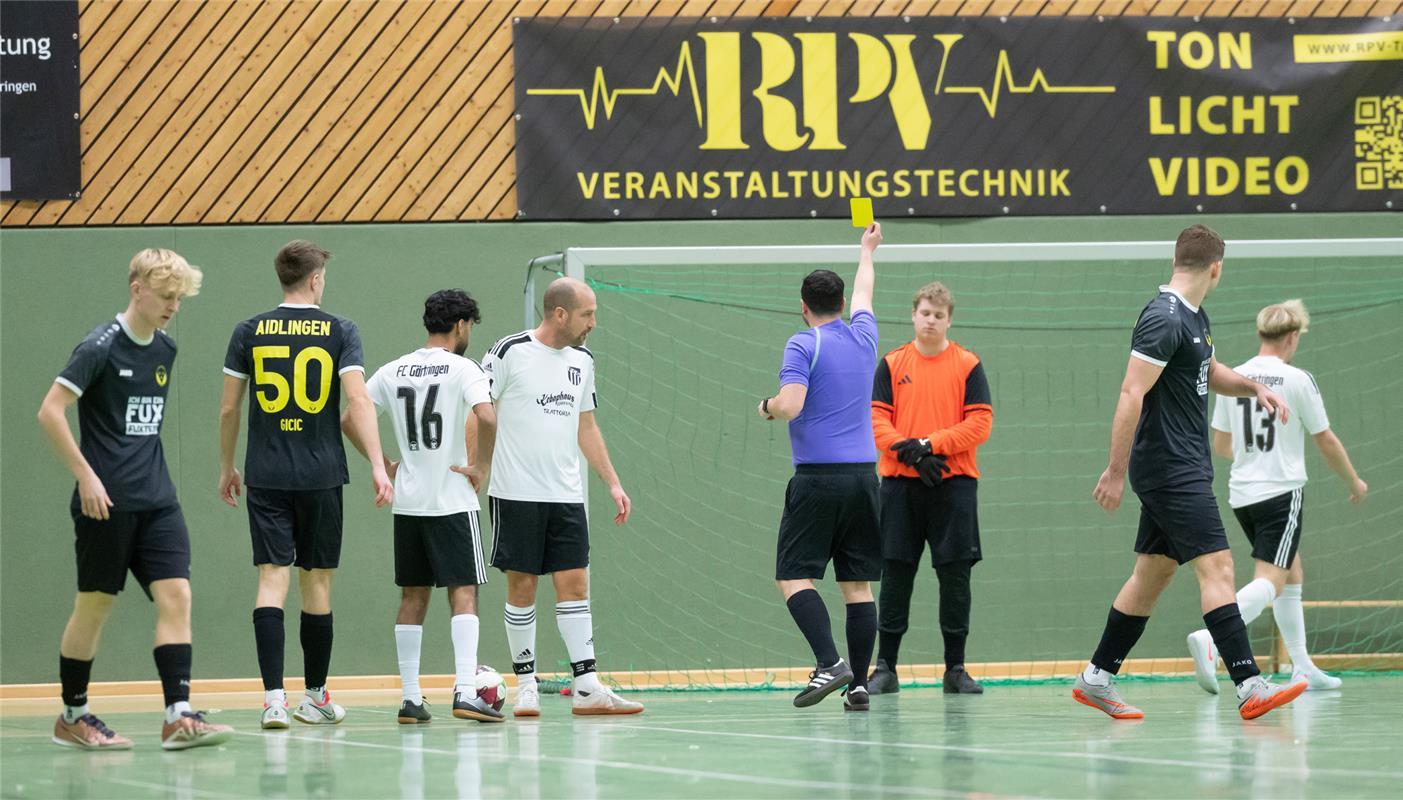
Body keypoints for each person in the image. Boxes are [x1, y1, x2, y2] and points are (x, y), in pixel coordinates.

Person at [1079, 224, 1305, 721]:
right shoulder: (1163, 318)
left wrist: (1254, 388)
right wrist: (1115, 472)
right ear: (1216, 268)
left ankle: (1097, 677)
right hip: (1169, 467)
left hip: (1184, 465)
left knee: (1152, 573)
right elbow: (1130, 393)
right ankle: (1249, 684)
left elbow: (1210, 369)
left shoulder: (1195, 318)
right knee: (1219, 567)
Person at [39, 248, 233, 750]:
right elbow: (50, 412)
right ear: (137, 289)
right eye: (167, 296)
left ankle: (178, 715)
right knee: (95, 605)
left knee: (177, 595)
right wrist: (86, 476)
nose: (173, 306)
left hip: (157, 500)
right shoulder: (99, 346)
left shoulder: (165, 348)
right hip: (105, 502)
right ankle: (73, 715)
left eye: (179, 298)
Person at [218, 240, 393, 729]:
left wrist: (227, 465)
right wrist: (378, 465)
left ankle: (273, 699)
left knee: (271, 579)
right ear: (316, 279)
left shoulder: (248, 330)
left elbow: (230, 408)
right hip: (320, 475)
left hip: (266, 474)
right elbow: (358, 402)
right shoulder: (340, 330)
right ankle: (313, 695)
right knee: (316, 583)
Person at [1186, 299, 1368, 694]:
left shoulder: (1233, 377)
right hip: (1281, 491)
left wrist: (1254, 458)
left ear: (1260, 333)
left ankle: (1302, 666)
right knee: (1272, 578)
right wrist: (1353, 480)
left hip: (1242, 494)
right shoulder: (1298, 379)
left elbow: (1221, 443)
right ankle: (1213, 637)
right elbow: (1325, 439)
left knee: (1291, 570)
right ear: (1291, 337)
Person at [480, 276, 643, 716]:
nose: (593, 323)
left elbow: (585, 425)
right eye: (588, 314)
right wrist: (477, 466)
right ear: (560, 313)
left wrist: (612, 481)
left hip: (567, 495)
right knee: (523, 585)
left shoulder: (583, 360)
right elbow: (479, 412)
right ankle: (526, 684)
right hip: (515, 493)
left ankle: (588, 686)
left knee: (574, 584)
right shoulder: (508, 351)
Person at [351, 289, 503, 723]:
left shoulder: (394, 368)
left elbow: (351, 416)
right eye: (470, 326)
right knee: (464, 593)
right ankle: (465, 690)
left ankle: (411, 699)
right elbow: (488, 416)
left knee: (412, 596)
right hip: (453, 499)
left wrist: (383, 464)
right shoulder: (463, 368)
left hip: (410, 503)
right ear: (460, 326)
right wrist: (481, 467)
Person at [758, 223, 883, 711]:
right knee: (857, 585)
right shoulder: (865, 337)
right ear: (842, 300)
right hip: (863, 480)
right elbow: (867, 291)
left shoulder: (803, 343)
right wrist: (867, 250)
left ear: (804, 306)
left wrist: (766, 406)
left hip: (818, 480)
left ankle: (830, 662)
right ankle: (857, 687)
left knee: (792, 575)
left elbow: (790, 404)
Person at [867, 281, 992, 696]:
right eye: (925, 313)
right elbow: (877, 422)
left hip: (954, 486)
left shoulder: (968, 365)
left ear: (949, 319)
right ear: (913, 315)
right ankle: (885, 667)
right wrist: (915, 457)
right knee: (896, 573)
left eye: (939, 315)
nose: (931, 320)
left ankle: (955, 669)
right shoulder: (892, 363)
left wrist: (930, 445)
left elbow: (979, 423)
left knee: (955, 575)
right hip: (900, 488)